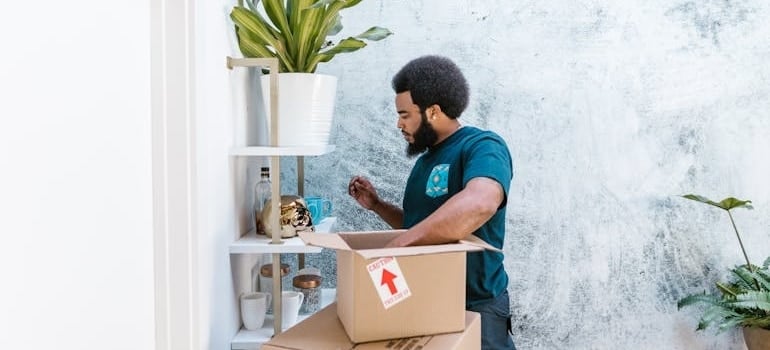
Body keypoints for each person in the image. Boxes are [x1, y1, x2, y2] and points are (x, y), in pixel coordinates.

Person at [347, 55, 516, 350]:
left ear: (434, 111)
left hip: (477, 306)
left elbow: (481, 202)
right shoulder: (424, 162)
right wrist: (377, 205)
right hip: (426, 303)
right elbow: (420, 228)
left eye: (405, 114)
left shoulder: (483, 146)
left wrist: (396, 248)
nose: (398, 124)